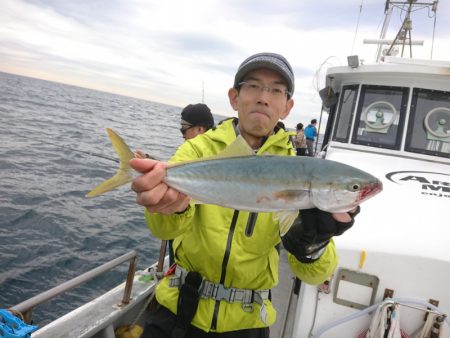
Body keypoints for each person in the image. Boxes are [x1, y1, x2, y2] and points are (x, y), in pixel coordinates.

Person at [130, 52, 360, 337]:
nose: (264, 97)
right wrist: (172, 208)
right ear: (234, 97)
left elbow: (314, 275)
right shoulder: (199, 151)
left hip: (247, 323)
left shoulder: (300, 167)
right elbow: (160, 228)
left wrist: (314, 243)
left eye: (276, 90)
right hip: (176, 310)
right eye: (253, 86)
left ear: (287, 107)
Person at [135, 103, 214, 159]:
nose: (183, 135)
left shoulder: (192, 154)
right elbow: (173, 169)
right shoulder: (215, 151)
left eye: (184, 129)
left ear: (199, 129)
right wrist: (148, 159)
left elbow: (169, 173)